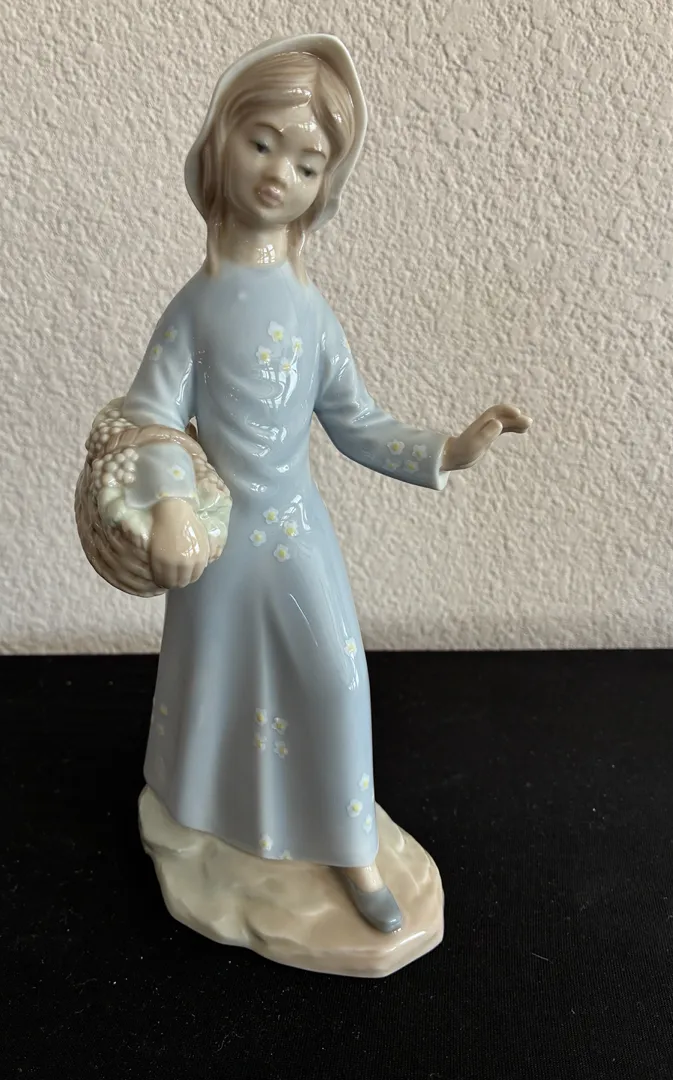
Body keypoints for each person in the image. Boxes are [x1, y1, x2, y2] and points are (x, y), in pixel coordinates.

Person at [120, 35, 531, 933]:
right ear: (221, 141)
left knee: (337, 676)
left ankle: (350, 847)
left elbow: (358, 422)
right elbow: (149, 417)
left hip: (293, 527)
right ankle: (208, 823)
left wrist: (447, 450)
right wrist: (174, 506)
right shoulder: (196, 306)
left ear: (326, 184)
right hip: (218, 538)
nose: (279, 173)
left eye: (307, 163)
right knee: (216, 684)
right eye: (262, 142)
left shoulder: (310, 312)